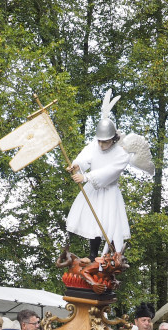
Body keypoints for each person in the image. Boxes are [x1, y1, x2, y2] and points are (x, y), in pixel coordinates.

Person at [64, 90, 152, 259]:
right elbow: (85, 157)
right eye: (99, 141)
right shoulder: (94, 145)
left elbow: (110, 172)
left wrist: (87, 177)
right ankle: (92, 254)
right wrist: (76, 165)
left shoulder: (121, 154)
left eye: (105, 141)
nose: (101, 145)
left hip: (109, 191)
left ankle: (111, 255)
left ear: (113, 138)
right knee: (93, 219)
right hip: (94, 190)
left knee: (108, 222)